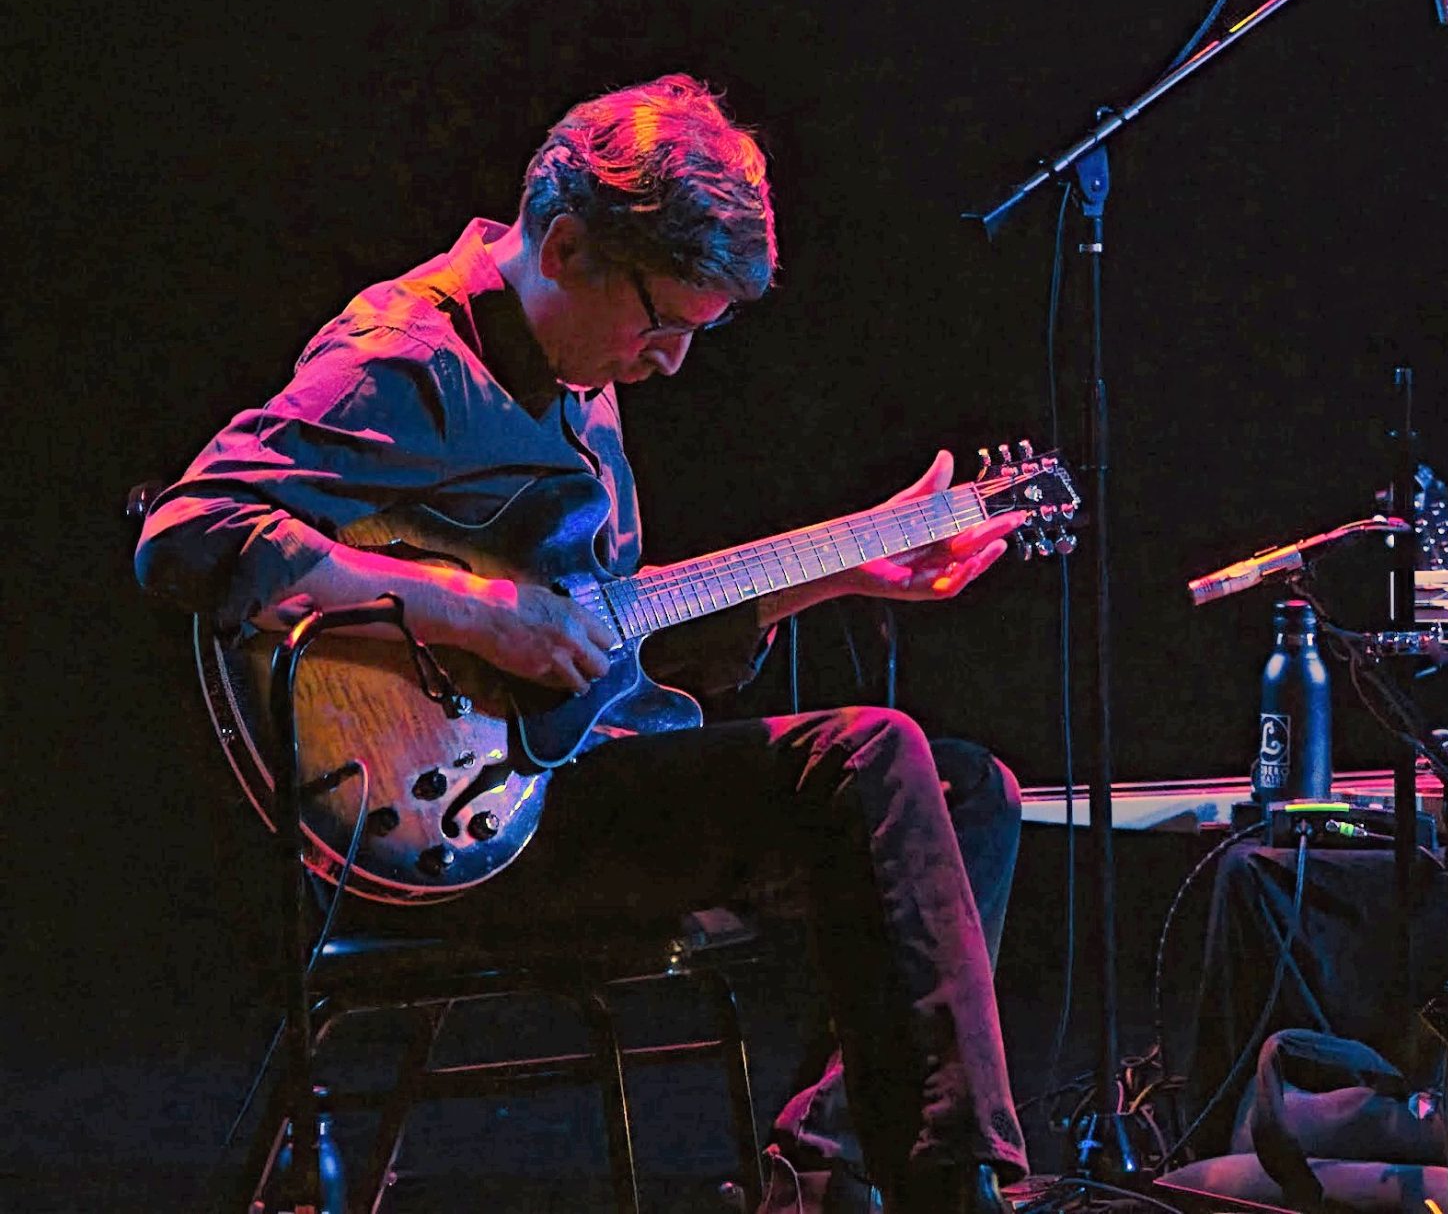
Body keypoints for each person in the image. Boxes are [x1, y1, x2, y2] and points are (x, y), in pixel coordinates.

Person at [136, 74, 1023, 1213]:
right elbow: (186, 532)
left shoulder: (572, 367)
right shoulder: (404, 361)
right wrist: (462, 610)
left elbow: (606, 636)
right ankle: (958, 1188)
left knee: (970, 790)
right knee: (864, 754)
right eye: (663, 323)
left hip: (571, 776)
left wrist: (841, 572)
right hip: (462, 822)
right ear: (564, 243)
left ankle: (834, 1181)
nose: (671, 362)